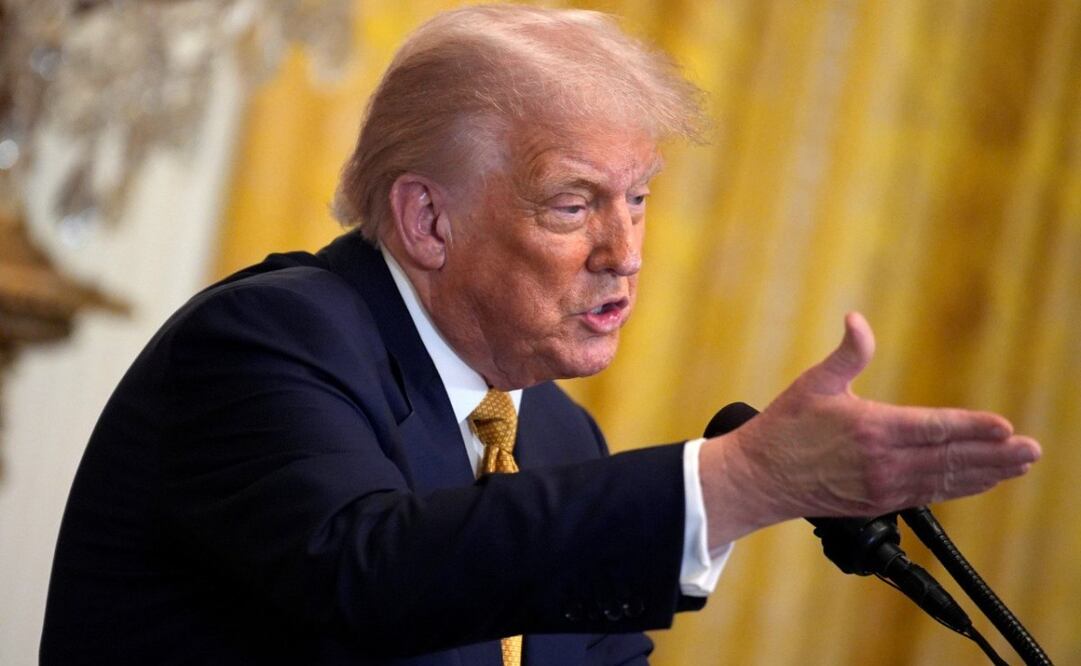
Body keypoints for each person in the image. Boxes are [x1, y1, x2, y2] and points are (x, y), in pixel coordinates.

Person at [40, 5, 1041, 665]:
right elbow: (368, 572)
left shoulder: (556, 438)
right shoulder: (274, 338)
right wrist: (738, 482)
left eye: (637, 199)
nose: (625, 253)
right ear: (428, 220)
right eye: (573, 205)